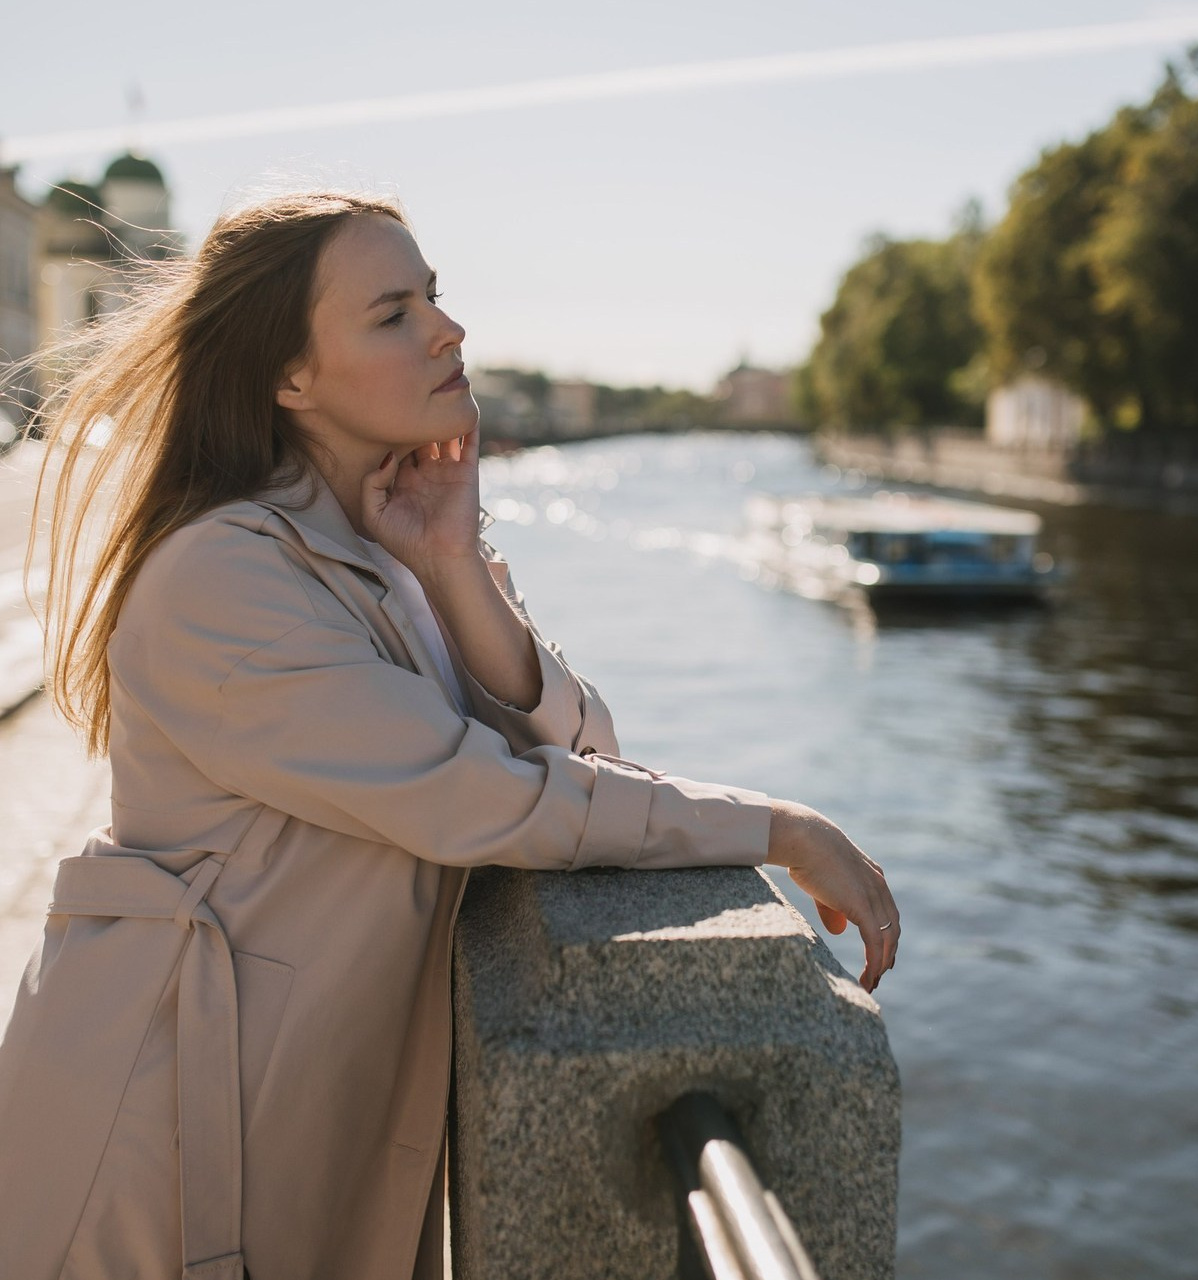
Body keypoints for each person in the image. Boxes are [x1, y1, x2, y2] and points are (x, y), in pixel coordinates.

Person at [0, 191, 899, 1280]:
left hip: (285, 1107)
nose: (446, 329)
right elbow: (488, 797)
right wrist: (773, 826)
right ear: (291, 378)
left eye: (434, 295)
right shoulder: (222, 576)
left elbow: (585, 743)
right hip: (158, 1136)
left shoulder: (391, 543)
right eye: (391, 312)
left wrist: (455, 564)